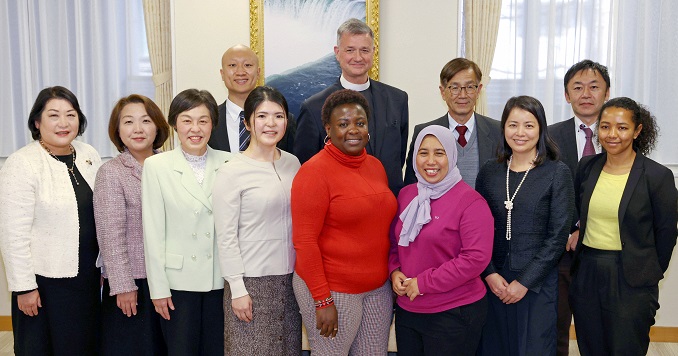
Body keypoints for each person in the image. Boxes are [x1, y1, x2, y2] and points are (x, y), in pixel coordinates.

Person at [569, 97, 677, 356]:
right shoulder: (587, 166)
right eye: (605, 127)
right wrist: (577, 229)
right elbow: (578, 209)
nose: (612, 134)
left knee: (626, 347)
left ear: (638, 130)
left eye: (622, 127)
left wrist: (648, 274)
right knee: (591, 345)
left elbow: (667, 234)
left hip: (632, 277)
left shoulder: (657, 176)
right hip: (588, 272)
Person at [291, 89, 396, 354]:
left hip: (377, 289)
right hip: (333, 289)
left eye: (360, 123)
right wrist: (321, 299)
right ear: (328, 128)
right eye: (343, 124)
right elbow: (304, 242)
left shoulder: (375, 166)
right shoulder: (313, 172)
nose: (353, 130)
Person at [0, 86, 102, 355]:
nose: (64, 123)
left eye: (71, 115)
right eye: (54, 115)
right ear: (37, 122)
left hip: (87, 277)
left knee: (83, 346)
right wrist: (24, 288)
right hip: (45, 284)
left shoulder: (89, 154)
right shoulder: (22, 163)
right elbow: (13, 235)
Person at [476, 96, 574, 356]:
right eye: (513, 125)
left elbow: (557, 236)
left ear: (541, 129)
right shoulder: (490, 171)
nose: (520, 133)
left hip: (536, 284)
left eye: (529, 125)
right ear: (503, 128)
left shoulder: (557, 172)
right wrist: (489, 273)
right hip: (494, 281)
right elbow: (477, 229)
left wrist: (525, 282)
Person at [389, 125, 494, 356]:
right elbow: (395, 243)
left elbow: (476, 259)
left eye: (439, 153)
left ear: (452, 155)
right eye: (423, 152)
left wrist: (423, 283)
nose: (430, 161)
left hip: (453, 313)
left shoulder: (471, 202)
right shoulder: (407, 195)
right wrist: (394, 270)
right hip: (408, 310)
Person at [142, 89, 231, 356]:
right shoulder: (156, 166)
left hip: (220, 279)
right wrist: (157, 288)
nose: (195, 128)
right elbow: (153, 231)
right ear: (174, 124)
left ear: (213, 124)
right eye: (187, 120)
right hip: (177, 283)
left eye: (203, 121)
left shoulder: (230, 162)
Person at [213, 86, 302, 355]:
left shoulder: (293, 163)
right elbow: (225, 236)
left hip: (291, 281)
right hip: (251, 283)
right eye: (262, 116)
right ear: (247, 122)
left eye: (279, 116)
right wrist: (238, 289)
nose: (271, 123)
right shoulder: (232, 171)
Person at [293, 18, 409, 196]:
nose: (358, 57)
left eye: (364, 50)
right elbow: (306, 170)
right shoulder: (314, 107)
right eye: (350, 50)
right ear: (337, 53)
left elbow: (399, 157)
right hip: (342, 211)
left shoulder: (397, 100)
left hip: (391, 206)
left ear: (373, 52)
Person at [93, 94, 170, 355]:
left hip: (171, 278)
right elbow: (110, 236)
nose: (137, 129)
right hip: (134, 282)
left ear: (158, 126)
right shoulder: (111, 172)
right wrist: (124, 286)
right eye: (128, 122)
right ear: (117, 129)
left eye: (145, 120)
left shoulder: (170, 166)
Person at [548, 59, 610, 356]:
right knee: (556, 328)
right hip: (559, 253)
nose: (586, 93)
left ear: (606, 93)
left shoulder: (619, 135)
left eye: (594, 86)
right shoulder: (548, 136)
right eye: (578, 87)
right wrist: (569, 229)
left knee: (597, 330)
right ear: (566, 94)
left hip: (603, 253)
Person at [404, 58, 501, 189]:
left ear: (478, 91)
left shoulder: (498, 131)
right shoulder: (425, 133)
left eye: (469, 87)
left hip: (484, 209)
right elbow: (412, 187)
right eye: (454, 88)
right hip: (438, 209)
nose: (462, 95)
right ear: (443, 92)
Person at [208, 44, 296, 152]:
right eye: (232, 65)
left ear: (258, 72)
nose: (240, 72)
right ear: (222, 74)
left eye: (248, 65)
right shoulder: (209, 119)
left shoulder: (284, 120)